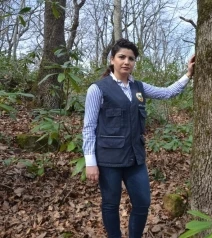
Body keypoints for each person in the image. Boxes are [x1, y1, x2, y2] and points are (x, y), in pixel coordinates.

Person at [82, 38, 195, 238]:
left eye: (131, 58)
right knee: (110, 204)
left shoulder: (139, 88)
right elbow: (89, 127)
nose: (126, 62)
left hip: (135, 157)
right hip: (108, 159)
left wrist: (188, 74)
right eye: (121, 57)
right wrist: (90, 162)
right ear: (112, 60)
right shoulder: (97, 89)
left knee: (143, 202)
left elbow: (167, 93)